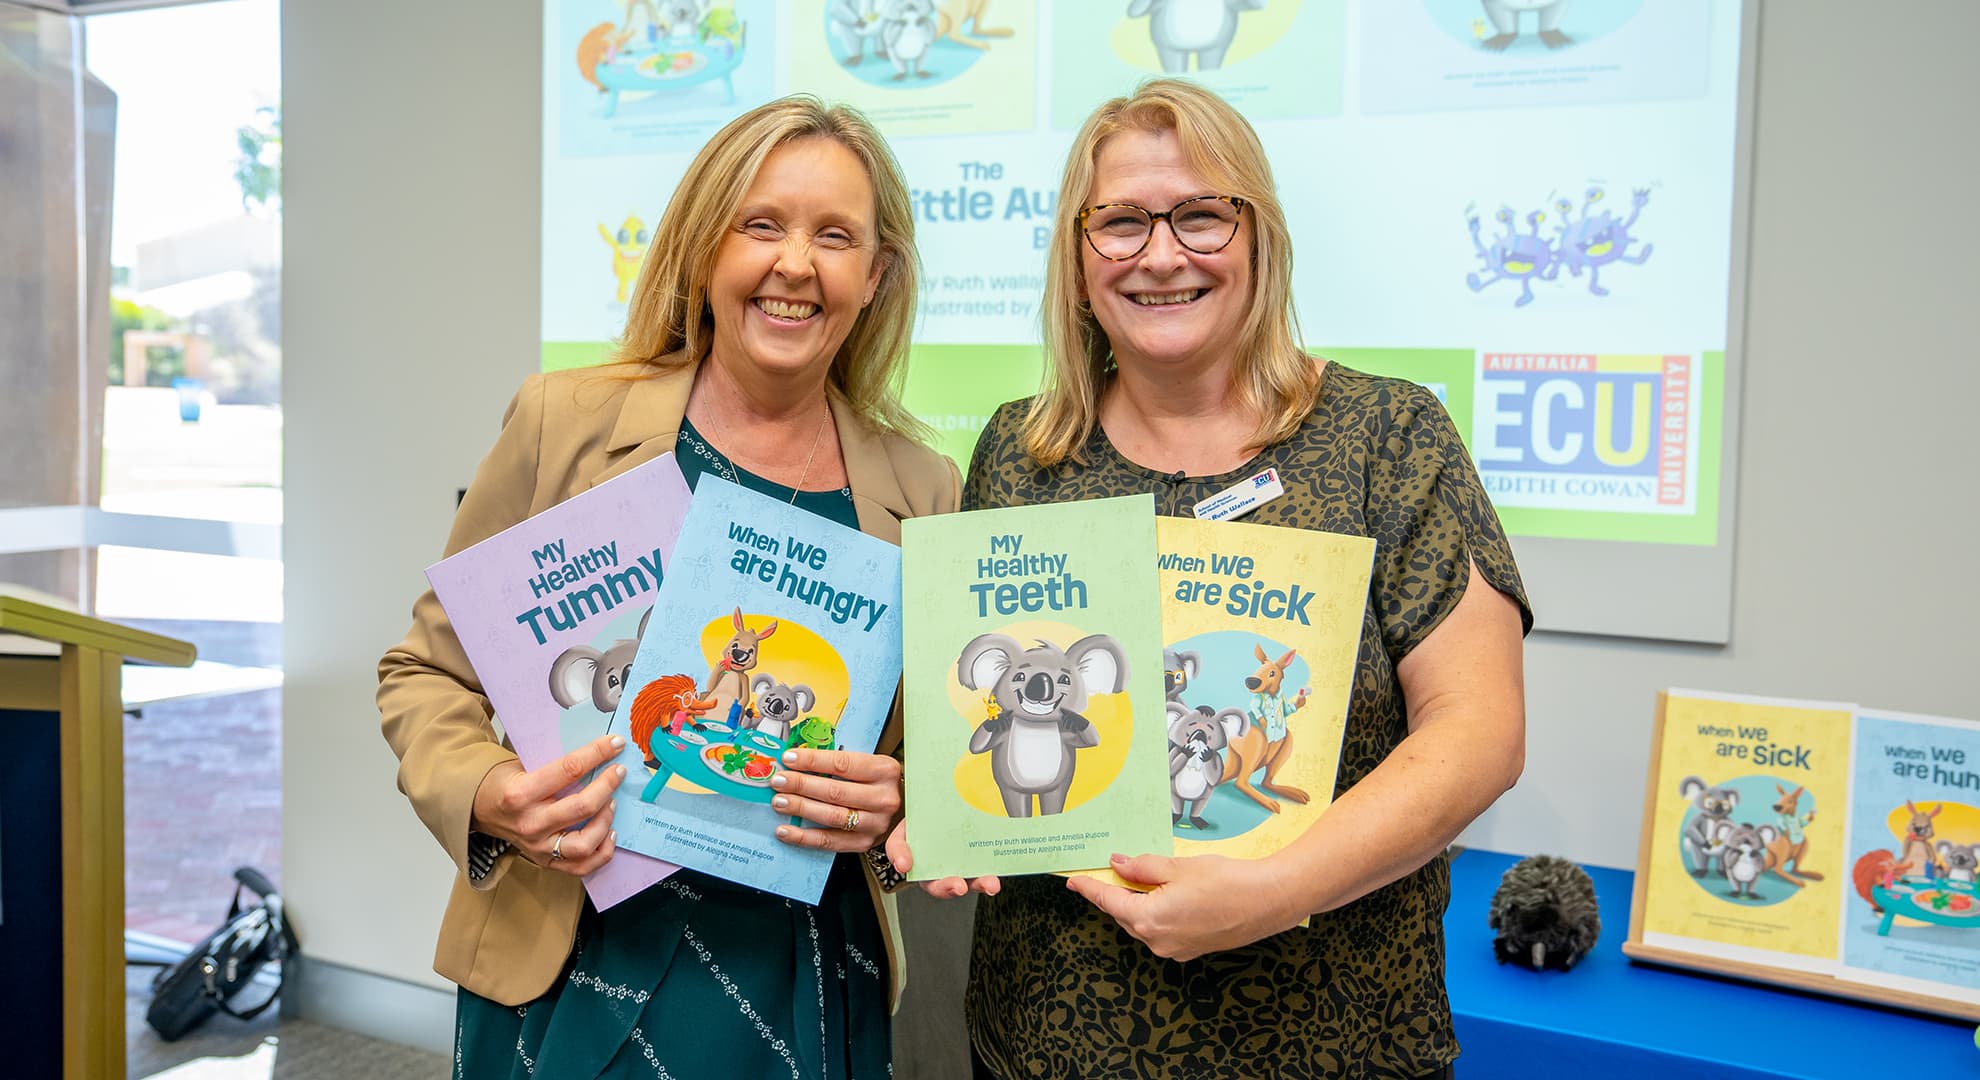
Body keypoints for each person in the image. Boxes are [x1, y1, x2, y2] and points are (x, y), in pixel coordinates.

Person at [894, 79, 1531, 1079]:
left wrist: (1276, 888)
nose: (1161, 253)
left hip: (1330, 1045)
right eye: (1122, 222)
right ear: (1076, 258)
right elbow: (976, 704)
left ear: (1260, 240)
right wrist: (954, 812)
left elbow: (1479, 732)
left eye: (1201, 214)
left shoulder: (1388, 435)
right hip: (1048, 1044)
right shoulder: (1020, 455)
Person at [377, 96, 959, 1079]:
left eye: (835, 236)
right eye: (761, 224)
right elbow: (424, 675)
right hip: (577, 956)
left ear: (876, 275)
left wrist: (905, 805)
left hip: (807, 972)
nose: (795, 264)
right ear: (702, 248)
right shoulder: (563, 421)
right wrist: (492, 795)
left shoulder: (925, 490)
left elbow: (947, 764)